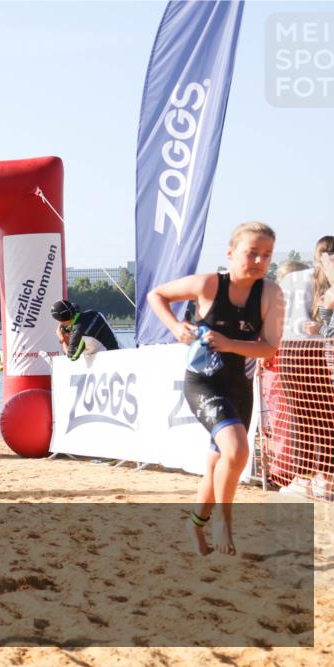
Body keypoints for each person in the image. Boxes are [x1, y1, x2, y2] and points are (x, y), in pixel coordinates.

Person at [147, 221, 284, 556]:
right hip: (204, 382)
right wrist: (176, 326)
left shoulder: (270, 293)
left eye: (266, 255)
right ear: (230, 252)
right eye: (251, 252)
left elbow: (268, 348)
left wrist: (228, 342)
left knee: (218, 465)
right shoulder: (209, 284)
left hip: (240, 385)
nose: (258, 261)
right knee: (237, 451)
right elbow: (157, 295)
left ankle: (194, 526)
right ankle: (225, 520)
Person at [50, 300, 119, 360]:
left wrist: (62, 338)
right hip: (120, 352)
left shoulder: (78, 333)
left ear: (60, 320)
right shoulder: (94, 313)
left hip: (108, 363)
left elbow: (72, 357)